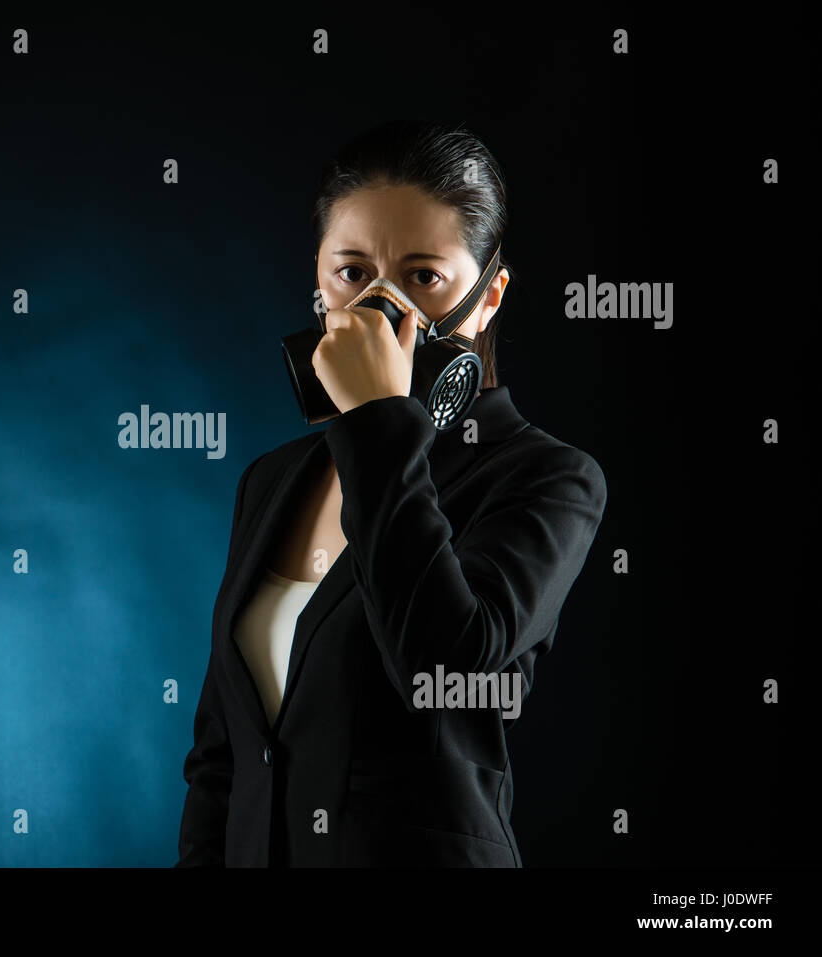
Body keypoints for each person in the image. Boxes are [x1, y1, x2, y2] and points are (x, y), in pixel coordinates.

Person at [176, 119, 608, 866]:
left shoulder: (547, 478)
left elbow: (443, 670)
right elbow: (224, 759)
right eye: (352, 272)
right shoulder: (272, 482)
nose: (381, 309)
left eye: (423, 277)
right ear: (317, 275)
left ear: (488, 295)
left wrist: (380, 422)